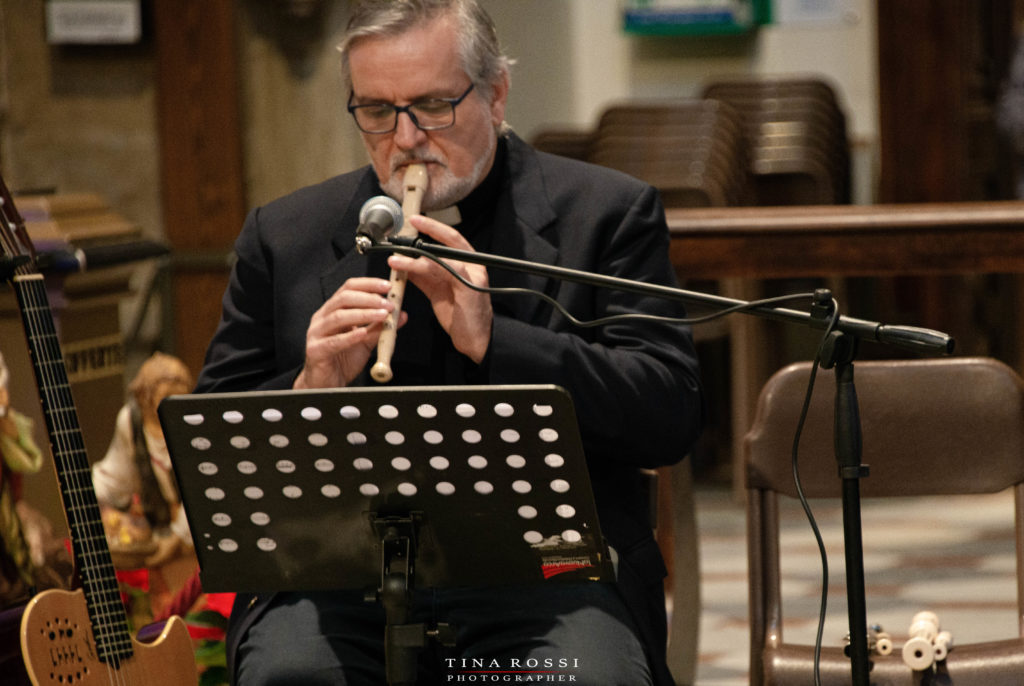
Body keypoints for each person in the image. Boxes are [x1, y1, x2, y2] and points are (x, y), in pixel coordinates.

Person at [194, 1, 703, 684]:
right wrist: (307, 386)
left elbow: (667, 415)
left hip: (551, 572)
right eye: (376, 111)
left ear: (495, 95)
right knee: (291, 674)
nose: (405, 138)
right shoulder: (286, 235)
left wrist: (497, 339)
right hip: (339, 579)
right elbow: (212, 446)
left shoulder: (606, 213)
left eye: (433, 106)